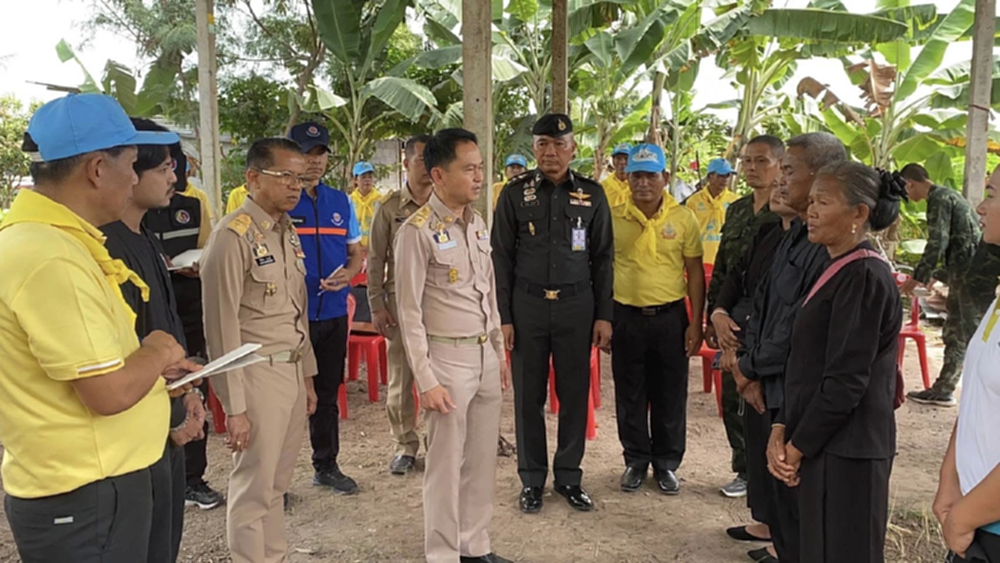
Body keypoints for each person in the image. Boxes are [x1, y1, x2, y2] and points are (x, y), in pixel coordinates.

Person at [0, 93, 196, 562]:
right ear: (96, 169)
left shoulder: (64, 243)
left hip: (102, 480)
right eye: (131, 164)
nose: (135, 178)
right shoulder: (50, 257)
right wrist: (158, 352)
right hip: (86, 491)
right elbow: (107, 392)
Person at [770, 162, 904, 563]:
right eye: (811, 201)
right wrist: (782, 426)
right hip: (823, 442)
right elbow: (808, 363)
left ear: (858, 214)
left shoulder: (863, 276)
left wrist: (796, 446)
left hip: (849, 450)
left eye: (823, 202)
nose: (810, 211)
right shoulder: (835, 266)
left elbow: (845, 379)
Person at [395, 128, 512, 563]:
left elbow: (490, 293)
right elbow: (408, 313)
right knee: (444, 466)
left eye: (481, 167)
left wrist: (498, 353)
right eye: (469, 169)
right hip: (446, 359)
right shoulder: (416, 231)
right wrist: (426, 378)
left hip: (482, 356)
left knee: (481, 461)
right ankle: (443, 554)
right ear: (439, 175)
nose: (479, 177)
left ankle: (474, 545)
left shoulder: (478, 224)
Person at [729, 132, 847, 563]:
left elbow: (797, 324)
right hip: (766, 378)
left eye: (789, 170)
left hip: (789, 386)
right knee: (777, 496)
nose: (781, 178)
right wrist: (748, 366)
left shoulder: (829, 251)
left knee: (797, 503)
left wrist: (752, 366)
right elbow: (763, 305)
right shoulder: (793, 236)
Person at [201, 137, 320, 563]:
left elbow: (296, 312)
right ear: (253, 178)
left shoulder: (286, 233)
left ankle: (274, 556)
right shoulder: (231, 237)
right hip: (255, 374)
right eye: (285, 176)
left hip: (288, 371)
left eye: (300, 178)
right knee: (254, 486)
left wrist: (306, 377)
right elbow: (221, 326)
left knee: (277, 484)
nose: (295, 186)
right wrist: (233, 405)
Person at [492, 113, 614, 513]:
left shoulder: (593, 195)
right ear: (534, 149)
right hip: (526, 306)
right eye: (543, 143)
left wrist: (604, 315)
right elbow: (501, 259)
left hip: (577, 306)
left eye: (559, 144)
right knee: (528, 395)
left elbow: (603, 258)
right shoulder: (514, 194)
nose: (551, 151)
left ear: (573, 149)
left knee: (574, 393)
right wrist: (504, 317)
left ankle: (569, 476)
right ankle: (531, 479)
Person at [101, 118, 208, 563]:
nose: (174, 178)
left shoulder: (144, 235)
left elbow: (166, 328)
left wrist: (188, 394)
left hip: (164, 414)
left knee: (163, 543)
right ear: (129, 170)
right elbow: (122, 352)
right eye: (163, 168)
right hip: (133, 425)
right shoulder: (104, 248)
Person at [611, 144, 704, 495]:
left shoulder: (683, 218)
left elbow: (694, 272)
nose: (643, 183)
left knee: (670, 393)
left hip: (670, 318)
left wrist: (695, 324)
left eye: (651, 175)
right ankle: (635, 459)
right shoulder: (612, 214)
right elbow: (601, 268)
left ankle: (666, 463)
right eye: (637, 175)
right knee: (629, 392)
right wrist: (603, 319)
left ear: (665, 178)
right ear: (627, 177)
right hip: (625, 315)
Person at [144, 150, 225, 512]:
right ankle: (155, 476)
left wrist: (199, 264)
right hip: (149, 317)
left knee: (194, 389)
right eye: (165, 169)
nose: (174, 177)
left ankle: (193, 478)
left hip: (188, 308)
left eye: (175, 168)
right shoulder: (127, 212)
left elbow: (208, 250)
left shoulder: (192, 206)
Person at [712, 186, 791, 557]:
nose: (781, 186)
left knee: (779, 439)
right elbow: (736, 274)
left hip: (771, 355)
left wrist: (748, 362)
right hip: (747, 338)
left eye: (788, 173)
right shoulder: (768, 231)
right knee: (756, 433)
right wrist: (719, 313)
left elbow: (785, 311)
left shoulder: (811, 244)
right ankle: (765, 518)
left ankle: (784, 536)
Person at [705, 135, 783, 500]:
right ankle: (743, 468)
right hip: (732, 315)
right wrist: (713, 314)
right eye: (747, 161)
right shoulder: (736, 209)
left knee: (762, 396)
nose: (752, 168)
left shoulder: (787, 213)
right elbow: (725, 267)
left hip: (768, 319)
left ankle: (765, 472)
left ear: (780, 165)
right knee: (731, 392)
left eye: (761, 161)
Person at [288, 121, 364, 494]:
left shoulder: (341, 201)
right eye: (307, 153)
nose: (315, 162)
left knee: (328, 393)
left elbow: (355, 254)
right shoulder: (281, 202)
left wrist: (348, 275)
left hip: (332, 312)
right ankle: (276, 481)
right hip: (290, 318)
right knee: (285, 400)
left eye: (320, 154)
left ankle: (326, 464)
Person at [934, 166, 1000, 562]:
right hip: (976, 520)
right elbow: (980, 392)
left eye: (991, 193)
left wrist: (963, 518)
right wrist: (950, 478)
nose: (980, 205)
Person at [369, 134, 435, 474]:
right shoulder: (390, 207)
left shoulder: (445, 203)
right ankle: (405, 445)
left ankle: (438, 444)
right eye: (422, 158)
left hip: (440, 302)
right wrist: (377, 305)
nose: (427, 165)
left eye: (433, 158)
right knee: (401, 377)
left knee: (441, 374)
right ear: (406, 163)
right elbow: (375, 258)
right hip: (398, 302)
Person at [900, 164, 983, 407]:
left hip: (968, 274)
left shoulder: (938, 200)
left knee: (969, 332)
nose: (908, 198)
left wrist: (920, 276)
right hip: (965, 271)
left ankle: (978, 391)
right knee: (956, 331)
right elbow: (959, 241)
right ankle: (944, 388)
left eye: (905, 191)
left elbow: (938, 241)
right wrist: (939, 274)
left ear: (910, 183)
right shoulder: (949, 195)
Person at [685, 158, 740, 265]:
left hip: (723, 261)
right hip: (698, 259)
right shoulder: (694, 201)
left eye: (727, 175)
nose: (725, 180)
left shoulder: (735, 201)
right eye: (721, 175)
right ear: (710, 176)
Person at [351, 160, 381, 247]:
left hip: (375, 247)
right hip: (355, 248)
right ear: (356, 179)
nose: (367, 180)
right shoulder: (349, 201)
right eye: (363, 177)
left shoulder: (381, 200)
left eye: (370, 177)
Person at [601, 142, 632, 208]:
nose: (622, 162)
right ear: (613, 160)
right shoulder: (604, 186)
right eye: (618, 158)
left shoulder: (638, 184)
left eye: (626, 158)